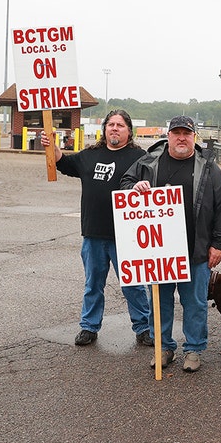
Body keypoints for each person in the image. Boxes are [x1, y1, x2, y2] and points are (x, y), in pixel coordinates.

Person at [121, 115, 221, 373]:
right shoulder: (148, 162)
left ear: (194, 137)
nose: (182, 138)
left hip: (196, 250)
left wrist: (218, 243)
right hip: (158, 252)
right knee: (160, 302)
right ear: (168, 136)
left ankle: (193, 349)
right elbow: (124, 184)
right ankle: (164, 347)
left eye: (187, 133)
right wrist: (134, 188)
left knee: (194, 302)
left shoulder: (208, 167)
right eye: (177, 133)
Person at [39, 110, 153, 348]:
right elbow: (65, 163)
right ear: (104, 129)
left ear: (129, 131)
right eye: (110, 124)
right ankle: (89, 326)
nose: (114, 128)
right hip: (93, 232)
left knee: (133, 285)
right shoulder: (90, 155)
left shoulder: (141, 157)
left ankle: (143, 328)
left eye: (120, 125)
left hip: (126, 235)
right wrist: (53, 147)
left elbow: (153, 186)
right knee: (93, 284)